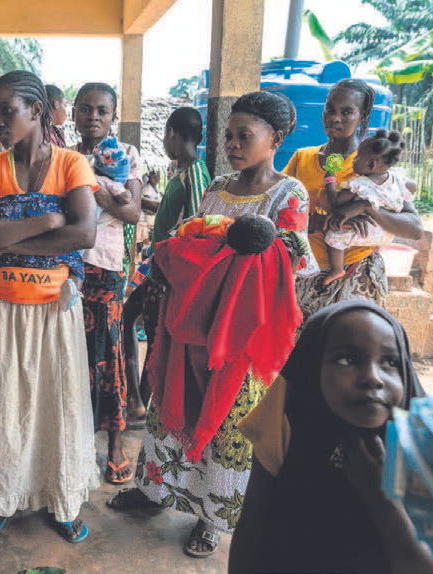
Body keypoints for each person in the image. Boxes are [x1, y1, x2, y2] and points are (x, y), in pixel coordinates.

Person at [109, 92, 318, 559]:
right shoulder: (217, 187)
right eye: (229, 135)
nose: (233, 144)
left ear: (276, 139)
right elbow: (191, 238)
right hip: (195, 318)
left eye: (245, 136)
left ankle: (213, 516)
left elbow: (296, 261)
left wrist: (246, 246)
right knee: (171, 405)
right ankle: (153, 491)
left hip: (244, 329)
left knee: (228, 422)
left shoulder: (289, 193)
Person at [0, 70, 100, 543]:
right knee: (3, 402)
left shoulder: (72, 164)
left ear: (36, 111)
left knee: (57, 404)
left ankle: (61, 498)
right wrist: (44, 221)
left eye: (7, 111)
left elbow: (84, 234)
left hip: (56, 313)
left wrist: (11, 243)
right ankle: (2, 495)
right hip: (4, 309)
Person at [229, 300, 433, 574]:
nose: (372, 378)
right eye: (347, 359)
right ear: (312, 370)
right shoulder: (285, 423)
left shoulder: (418, 448)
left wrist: (381, 497)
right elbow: (251, 528)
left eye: (390, 362)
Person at [283, 78, 422, 317]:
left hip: (356, 274)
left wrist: (367, 207)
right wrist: (317, 222)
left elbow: (415, 229)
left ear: (363, 116)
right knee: (301, 349)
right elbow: (278, 209)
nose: (335, 118)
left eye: (346, 112)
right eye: (330, 109)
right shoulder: (302, 158)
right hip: (303, 271)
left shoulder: (374, 166)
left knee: (347, 349)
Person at [71, 82, 143, 485]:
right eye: (85, 109)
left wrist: (92, 184)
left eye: (101, 110)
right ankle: (77, 444)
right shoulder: (65, 155)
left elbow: (131, 212)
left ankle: (115, 447)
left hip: (106, 267)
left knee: (109, 352)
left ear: (113, 115)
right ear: (75, 113)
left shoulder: (127, 154)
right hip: (68, 265)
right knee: (71, 356)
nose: (93, 117)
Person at [124, 107, 212, 422]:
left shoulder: (196, 174)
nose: (164, 141)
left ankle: (140, 401)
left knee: (151, 330)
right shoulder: (181, 171)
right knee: (135, 320)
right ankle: (137, 399)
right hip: (160, 265)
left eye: (165, 135)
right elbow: (175, 212)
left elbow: (197, 225)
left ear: (173, 133)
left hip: (170, 273)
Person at [322, 129, 416, 284]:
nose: (354, 160)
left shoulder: (361, 184)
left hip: (367, 230)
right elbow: (413, 186)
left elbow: (336, 200)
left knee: (334, 235)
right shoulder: (397, 179)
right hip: (387, 233)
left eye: (358, 157)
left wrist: (330, 180)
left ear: (371, 164)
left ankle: (337, 269)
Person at [45, 84, 68, 148]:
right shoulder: (46, 137)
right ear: (56, 104)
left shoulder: (55, 131)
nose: (65, 111)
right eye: (64, 105)